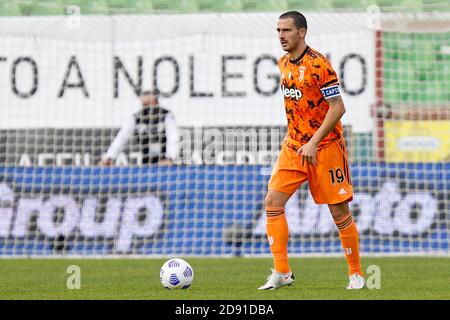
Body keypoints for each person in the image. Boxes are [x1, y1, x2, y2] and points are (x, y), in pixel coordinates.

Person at [258, 11, 365, 290]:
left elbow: (338, 108)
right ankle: (282, 272)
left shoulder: (319, 65)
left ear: (302, 32)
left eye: (287, 30)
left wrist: (314, 142)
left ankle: (356, 274)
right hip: (294, 146)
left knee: (339, 213)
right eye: (278, 30)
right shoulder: (283, 63)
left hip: (324, 147)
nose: (281, 35)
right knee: (272, 202)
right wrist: (301, 140)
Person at [99, 90, 178, 166]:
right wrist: (109, 157)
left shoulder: (167, 115)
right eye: (146, 104)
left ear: (157, 103)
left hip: (165, 162)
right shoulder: (135, 118)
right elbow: (121, 138)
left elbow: (173, 137)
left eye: (152, 103)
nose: (150, 108)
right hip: (147, 162)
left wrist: (170, 158)